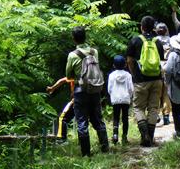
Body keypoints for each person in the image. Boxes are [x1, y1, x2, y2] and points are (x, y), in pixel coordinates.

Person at [65, 26, 109, 156]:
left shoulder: (72, 55)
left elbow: (68, 76)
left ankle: (86, 153)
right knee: (98, 118)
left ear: (74, 39)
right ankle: (105, 148)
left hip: (80, 90)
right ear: (85, 37)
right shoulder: (94, 52)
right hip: (95, 89)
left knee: (82, 121)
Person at [126, 16, 164, 147]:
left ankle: (144, 135)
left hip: (140, 81)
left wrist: (134, 74)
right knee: (153, 108)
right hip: (157, 79)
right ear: (153, 27)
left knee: (138, 107)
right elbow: (162, 62)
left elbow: (130, 60)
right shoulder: (158, 42)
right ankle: (151, 136)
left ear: (141, 27)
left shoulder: (135, 41)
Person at [107, 55, 134, 145]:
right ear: (125, 65)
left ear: (114, 65)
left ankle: (115, 135)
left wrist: (113, 95)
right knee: (125, 118)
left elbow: (109, 89)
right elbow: (131, 89)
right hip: (125, 98)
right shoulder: (128, 75)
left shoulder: (111, 75)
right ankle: (124, 137)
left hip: (115, 99)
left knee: (116, 117)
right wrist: (129, 96)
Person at [46, 77, 75, 143]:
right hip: (90, 101)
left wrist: (52, 88)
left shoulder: (76, 75)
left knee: (63, 118)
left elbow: (62, 80)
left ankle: (62, 139)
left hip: (77, 101)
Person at [155, 22, 172, 126]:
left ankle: (155, 115)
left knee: (156, 93)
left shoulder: (154, 41)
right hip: (167, 66)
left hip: (156, 67)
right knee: (166, 93)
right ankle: (166, 116)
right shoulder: (171, 41)